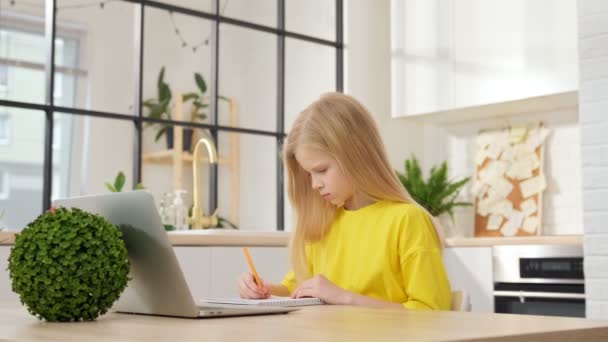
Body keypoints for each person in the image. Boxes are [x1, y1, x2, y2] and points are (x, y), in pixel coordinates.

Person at [238, 92, 451, 310]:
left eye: (321, 170)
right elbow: (298, 287)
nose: (314, 184)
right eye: (309, 174)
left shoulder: (407, 221)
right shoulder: (322, 224)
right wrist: (265, 291)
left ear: (355, 154)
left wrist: (344, 298)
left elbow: (433, 312)